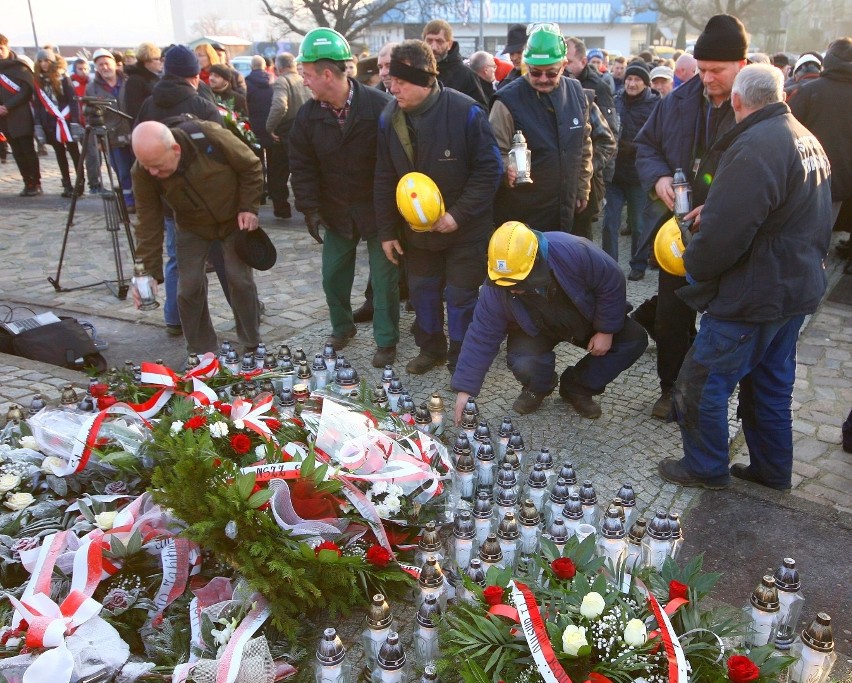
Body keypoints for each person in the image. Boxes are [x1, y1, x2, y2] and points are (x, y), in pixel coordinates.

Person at [657, 64, 832, 490]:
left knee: (701, 382)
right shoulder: (803, 137)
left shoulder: (756, 145)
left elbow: (724, 238)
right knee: (769, 387)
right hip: (793, 286)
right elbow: (781, 211)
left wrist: (695, 262)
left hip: (754, 293)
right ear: (782, 96)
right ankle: (772, 472)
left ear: (737, 101)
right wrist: (716, 210)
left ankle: (705, 467)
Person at [634, 14, 749, 420]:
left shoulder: (755, 106)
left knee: (724, 319)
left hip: (730, 233)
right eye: (701, 70)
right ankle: (672, 389)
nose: (708, 78)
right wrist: (659, 177)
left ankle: (713, 395)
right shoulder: (677, 101)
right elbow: (645, 146)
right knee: (671, 317)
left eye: (717, 70)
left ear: (742, 65)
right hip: (678, 233)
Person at [375, 39, 502, 374]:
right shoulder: (390, 117)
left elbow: (490, 170)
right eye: (392, 81)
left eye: (401, 82)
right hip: (417, 233)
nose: (393, 88)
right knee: (423, 293)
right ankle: (430, 348)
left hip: (466, 229)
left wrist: (457, 215)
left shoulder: (467, 111)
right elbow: (384, 175)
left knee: (461, 298)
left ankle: (462, 358)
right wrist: (387, 231)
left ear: (426, 80)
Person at [451, 222, 647, 420]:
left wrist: (606, 330)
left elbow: (611, 280)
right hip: (537, 327)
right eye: (505, 284)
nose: (511, 289)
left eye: (518, 283)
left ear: (535, 262)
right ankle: (539, 386)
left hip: (585, 318)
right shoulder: (496, 285)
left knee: (634, 340)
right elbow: (482, 336)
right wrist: (465, 391)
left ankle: (577, 387)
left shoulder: (573, 250)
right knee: (523, 361)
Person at [289, 28, 398, 368]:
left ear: (326, 74)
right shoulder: (307, 117)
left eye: (307, 74)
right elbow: (302, 166)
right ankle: (342, 327)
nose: (304, 81)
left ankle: (386, 340)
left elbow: (397, 161)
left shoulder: (380, 106)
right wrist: (309, 208)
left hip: (380, 212)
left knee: (384, 280)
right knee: (333, 276)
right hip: (336, 211)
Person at [131, 120, 263, 354]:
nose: (153, 172)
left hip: (233, 219)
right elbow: (147, 219)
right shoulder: (144, 171)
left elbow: (251, 166)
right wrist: (148, 272)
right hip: (191, 226)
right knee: (188, 288)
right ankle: (201, 352)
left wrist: (249, 207)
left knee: (239, 280)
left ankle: (252, 343)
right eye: (147, 166)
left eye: (158, 166)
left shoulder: (210, 137)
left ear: (176, 151)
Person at [135, 44, 224, 338]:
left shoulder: (149, 104)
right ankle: (245, 311)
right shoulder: (202, 104)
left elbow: (139, 147)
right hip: (208, 200)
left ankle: (175, 318)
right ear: (193, 77)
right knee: (224, 258)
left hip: (167, 198)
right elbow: (223, 149)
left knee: (177, 259)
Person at [490, 24, 593, 233]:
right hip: (523, 215)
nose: (543, 79)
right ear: (527, 65)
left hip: (566, 209)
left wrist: (582, 187)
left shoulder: (576, 92)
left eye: (551, 73)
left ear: (564, 65)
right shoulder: (507, 101)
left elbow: (583, 145)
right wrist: (504, 168)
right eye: (536, 73)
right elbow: (489, 151)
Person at [601, 62, 659, 279]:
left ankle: (638, 264)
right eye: (629, 79)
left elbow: (655, 139)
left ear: (645, 84)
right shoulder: (616, 101)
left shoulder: (653, 105)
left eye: (637, 80)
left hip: (638, 175)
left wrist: (633, 148)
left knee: (638, 224)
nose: (631, 83)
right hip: (615, 174)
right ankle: (608, 265)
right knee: (610, 222)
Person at [789, 37, 851, 225]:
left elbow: (787, 130)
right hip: (843, 179)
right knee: (822, 238)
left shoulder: (809, 91)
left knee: (799, 235)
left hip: (806, 177)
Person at [564, 37, 619, 238]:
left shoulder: (595, 90)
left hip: (584, 187)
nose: (564, 67)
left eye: (568, 62)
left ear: (583, 61)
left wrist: (586, 170)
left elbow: (609, 138)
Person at [86, 48, 135, 211]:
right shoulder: (92, 89)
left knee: (139, 170)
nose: (104, 68)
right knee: (122, 172)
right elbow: (90, 117)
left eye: (106, 63)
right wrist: (98, 140)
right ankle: (129, 201)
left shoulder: (129, 82)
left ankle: (142, 199)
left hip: (134, 133)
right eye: (100, 65)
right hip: (112, 137)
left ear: (114, 64)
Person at [265, 52, 310, 220]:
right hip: (304, 129)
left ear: (279, 67)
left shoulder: (282, 82)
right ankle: (308, 209)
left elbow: (279, 106)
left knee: (278, 174)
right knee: (302, 171)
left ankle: (282, 210)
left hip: (285, 132)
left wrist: (270, 127)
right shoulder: (303, 80)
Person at [32, 49, 81, 198]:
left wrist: (74, 122)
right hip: (51, 123)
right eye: (40, 61)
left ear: (52, 61)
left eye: (46, 61)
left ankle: (80, 183)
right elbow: (38, 104)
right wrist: (39, 124)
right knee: (59, 154)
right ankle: (67, 184)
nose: (44, 64)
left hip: (65, 121)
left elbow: (73, 100)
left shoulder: (63, 77)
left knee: (74, 154)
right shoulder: (38, 80)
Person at [0, 34, 41, 196]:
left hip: (21, 115)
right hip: (5, 118)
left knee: (28, 150)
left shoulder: (19, 66)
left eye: (0, 48)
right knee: (16, 151)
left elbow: (26, 90)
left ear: (6, 47)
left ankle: (36, 182)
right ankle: (27, 181)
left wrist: (7, 106)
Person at [422, 19, 487, 107]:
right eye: (429, 41)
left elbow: (479, 112)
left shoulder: (466, 75)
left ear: (449, 44)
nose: (433, 47)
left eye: (439, 41)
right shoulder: (416, 70)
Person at [121, 42, 163, 121]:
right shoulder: (135, 80)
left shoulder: (153, 78)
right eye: (156, 59)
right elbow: (134, 111)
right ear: (146, 61)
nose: (160, 62)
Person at [497, 24, 527, 89]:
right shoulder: (505, 85)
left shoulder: (546, 78)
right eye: (511, 53)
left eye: (519, 52)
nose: (514, 58)